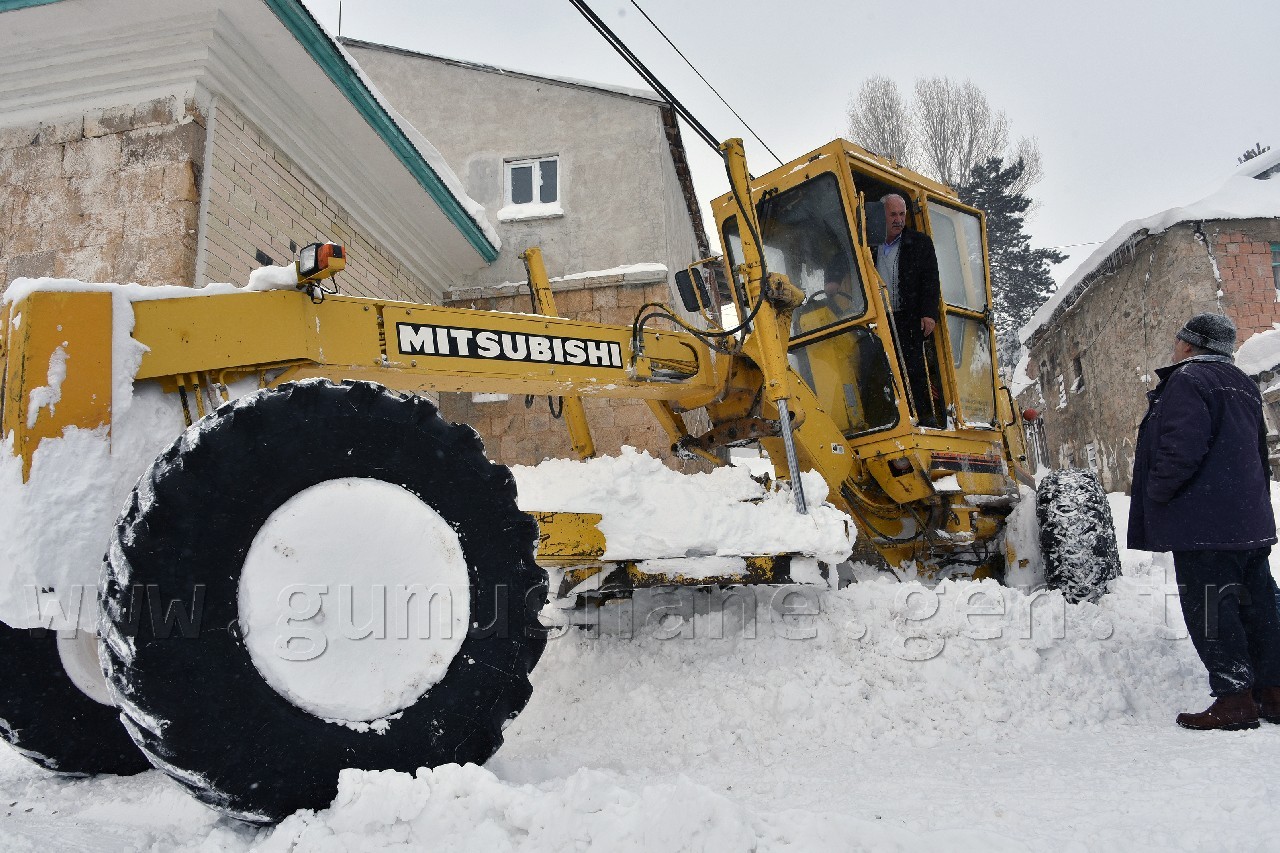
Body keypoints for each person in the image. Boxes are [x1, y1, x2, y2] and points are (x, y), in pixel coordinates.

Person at [1128, 313, 1280, 731]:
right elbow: (1258, 453)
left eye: (1178, 340)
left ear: (1190, 344)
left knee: (1212, 608)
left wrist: (1157, 492)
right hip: (1248, 520)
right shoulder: (1243, 383)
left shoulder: (1187, 380)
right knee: (1259, 605)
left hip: (1203, 523)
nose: (1174, 346)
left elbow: (1181, 447)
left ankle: (1235, 700)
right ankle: (1272, 694)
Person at [875, 193, 941, 425]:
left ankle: (925, 417)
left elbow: (930, 279)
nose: (899, 220)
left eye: (902, 214)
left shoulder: (920, 243)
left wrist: (928, 313)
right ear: (881, 215)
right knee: (882, 369)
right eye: (893, 214)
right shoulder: (868, 245)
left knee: (914, 368)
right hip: (879, 318)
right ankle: (889, 418)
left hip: (908, 316)